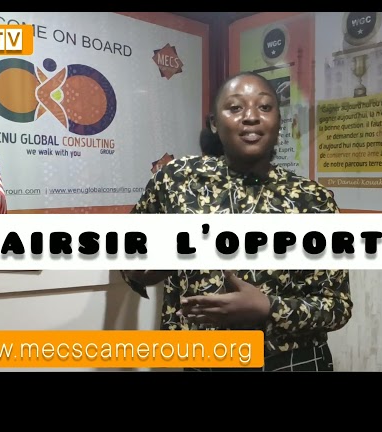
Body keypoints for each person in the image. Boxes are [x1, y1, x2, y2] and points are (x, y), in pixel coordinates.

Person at [122, 71, 352, 371]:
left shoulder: (311, 200)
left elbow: (337, 306)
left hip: (289, 360)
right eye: (235, 107)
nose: (251, 117)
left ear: (279, 121)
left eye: (265, 107)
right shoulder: (177, 180)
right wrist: (146, 268)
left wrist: (268, 308)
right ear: (214, 123)